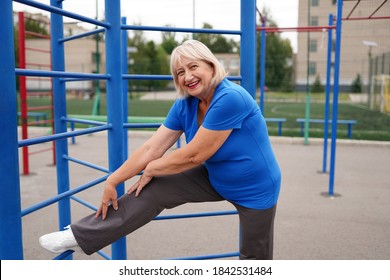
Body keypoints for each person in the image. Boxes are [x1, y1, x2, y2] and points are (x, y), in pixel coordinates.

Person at [39, 39, 281, 260]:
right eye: (180, 72)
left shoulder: (231, 98)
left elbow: (194, 155)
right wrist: (113, 180)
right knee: (154, 187)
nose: (187, 76)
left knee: (254, 260)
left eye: (193, 67)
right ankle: (81, 236)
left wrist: (153, 168)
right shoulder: (185, 104)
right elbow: (152, 147)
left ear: (210, 65)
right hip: (216, 176)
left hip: (255, 188)